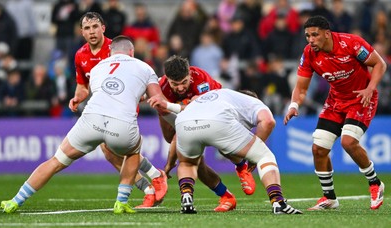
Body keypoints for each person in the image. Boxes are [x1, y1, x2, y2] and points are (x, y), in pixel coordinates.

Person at [1, 35, 165, 214]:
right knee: (133, 151)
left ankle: (15, 201)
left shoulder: (97, 68)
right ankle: (122, 201)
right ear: (131, 52)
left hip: (91, 120)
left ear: (110, 52)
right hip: (121, 123)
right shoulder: (145, 67)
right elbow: (156, 98)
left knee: (57, 161)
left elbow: (102, 92)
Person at [283, 16, 386, 210]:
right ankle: (329, 197)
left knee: (348, 141)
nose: (310, 39)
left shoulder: (351, 43)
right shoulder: (309, 54)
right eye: (307, 36)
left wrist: (370, 88)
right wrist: (294, 105)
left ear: (327, 34)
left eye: (315, 35)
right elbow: (301, 88)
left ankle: (375, 183)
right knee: (318, 149)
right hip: (335, 101)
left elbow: (380, 64)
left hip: (361, 98)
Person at [149, 88, 302, 214]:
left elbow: (186, 109)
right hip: (218, 122)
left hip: (183, 121)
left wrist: (169, 163)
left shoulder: (218, 95)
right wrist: (253, 157)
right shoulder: (254, 103)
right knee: (265, 156)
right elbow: (268, 122)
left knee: (188, 163)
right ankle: (278, 202)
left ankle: (187, 198)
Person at [71, 12, 167, 207]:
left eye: (95, 27)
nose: (92, 32)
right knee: (110, 153)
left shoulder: (116, 49)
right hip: (101, 108)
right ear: (82, 32)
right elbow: (83, 85)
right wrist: (78, 97)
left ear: (103, 28)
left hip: (122, 107)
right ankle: (151, 185)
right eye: (87, 28)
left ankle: (153, 181)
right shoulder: (80, 55)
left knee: (115, 148)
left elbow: (137, 73)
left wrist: (142, 94)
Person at [156, 55, 256, 212]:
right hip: (183, 115)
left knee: (220, 140)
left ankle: (241, 166)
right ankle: (227, 197)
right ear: (167, 79)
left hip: (212, 111)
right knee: (194, 161)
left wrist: (168, 166)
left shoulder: (201, 79)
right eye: (175, 84)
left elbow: (198, 108)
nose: (181, 88)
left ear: (189, 74)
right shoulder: (160, 86)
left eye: (184, 82)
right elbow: (173, 133)